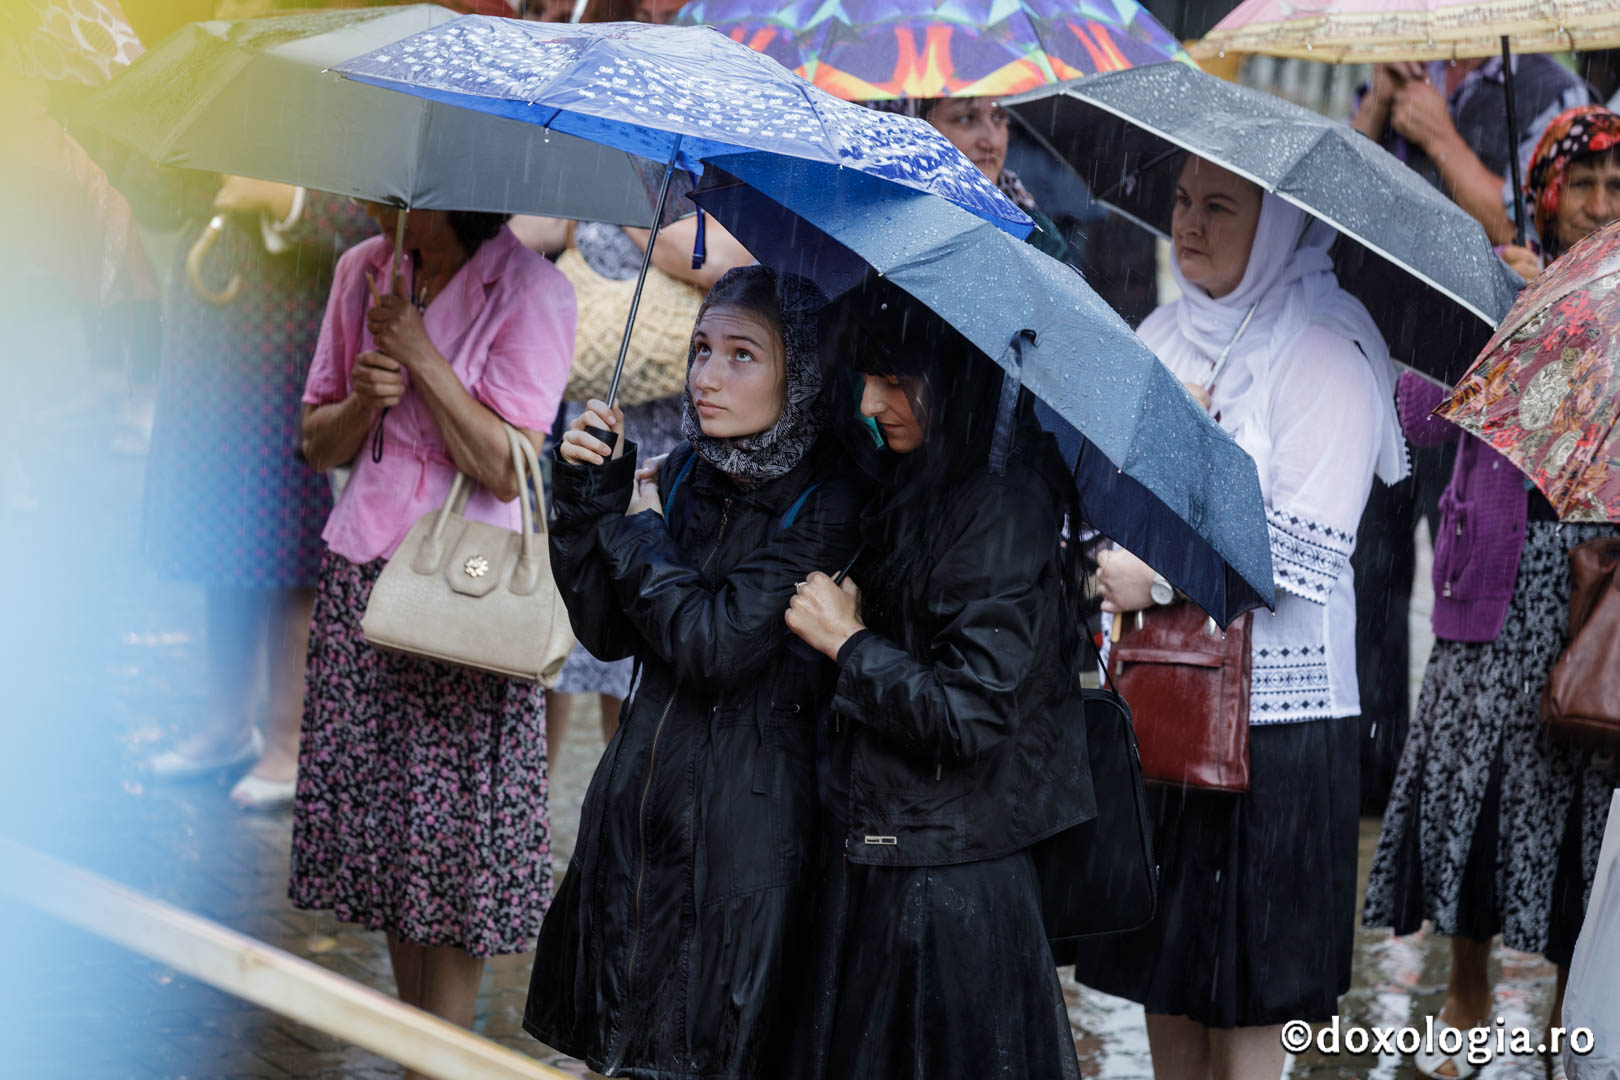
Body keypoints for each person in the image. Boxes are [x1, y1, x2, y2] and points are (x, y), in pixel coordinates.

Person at [1075, 156, 1405, 1080]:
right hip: (1162, 709)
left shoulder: (1325, 348)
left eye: (1221, 208)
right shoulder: (1157, 337)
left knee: (1260, 990)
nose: (1190, 225)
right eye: (1181, 201)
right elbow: (1095, 504)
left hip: (1282, 738)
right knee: (1167, 977)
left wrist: (1165, 561)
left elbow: (1303, 554)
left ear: (1278, 229)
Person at [523, 266, 861, 1079]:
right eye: (701, 349)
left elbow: (714, 646)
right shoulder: (685, 474)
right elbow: (607, 634)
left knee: (701, 1053)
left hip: (738, 846)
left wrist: (635, 532)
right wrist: (585, 501)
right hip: (637, 818)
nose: (707, 376)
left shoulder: (828, 502)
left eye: (743, 355)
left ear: (802, 373)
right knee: (622, 1052)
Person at [1362, 104, 1620, 1080]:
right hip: (1492, 591)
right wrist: (1497, 315)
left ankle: (1569, 1018)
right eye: (1582, 186)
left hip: (1595, 590)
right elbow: (1420, 419)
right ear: (1547, 200)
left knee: (1583, 796)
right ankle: (1463, 1005)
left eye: (1617, 189)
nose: (1599, 207)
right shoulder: (1495, 278)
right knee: (1471, 791)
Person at [784, 291, 1095, 1080]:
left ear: (956, 377)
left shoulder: (1001, 502)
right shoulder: (926, 472)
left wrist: (848, 644)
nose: (870, 402)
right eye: (866, 377)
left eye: (895, 379)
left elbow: (969, 712)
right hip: (898, 845)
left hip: (949, 880)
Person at [290, 204, 574, 1066]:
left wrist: (418, 354)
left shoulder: (533, 290)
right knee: (390, 846)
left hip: (466, 593)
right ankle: (421, 1047)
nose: (377, 206)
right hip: (367, 571)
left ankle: (440, 1056)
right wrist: (360, 405)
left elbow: (505, 464)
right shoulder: (362, 270)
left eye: (396, 193)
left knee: (451, 855)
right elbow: (313, 441)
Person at [507, 0, 752, 760]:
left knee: (643, 629)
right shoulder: (585, 134)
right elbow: (525, 232)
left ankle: (622, 790)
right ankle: (536, 824)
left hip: (680, 416)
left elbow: (733, 263)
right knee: (561, 622)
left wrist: (632, 208)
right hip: (601, 408)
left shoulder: (713, 151)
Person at [140, 176, 375, 810]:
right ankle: (225, 726)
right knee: (222, 542)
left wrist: (284, 201)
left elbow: (373, 227)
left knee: (287, 557)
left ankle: (287, 739)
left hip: (290, 355)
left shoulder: (333, 101)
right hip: (210, 355)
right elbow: (156, 196)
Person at [1351, 57, 1593, 245]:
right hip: (1379, 288)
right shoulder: (1407, 66)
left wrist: (1441, 139)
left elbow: (1531, 234)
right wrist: (1376, 105)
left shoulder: (1559, 95)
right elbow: (1341, 186)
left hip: (1491, 305)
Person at [870, 96, 1069, 259]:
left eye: (999, 117)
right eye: (966, 119)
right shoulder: (872, 226)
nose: (993, 141)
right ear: (912, 125)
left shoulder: (1034, 236)